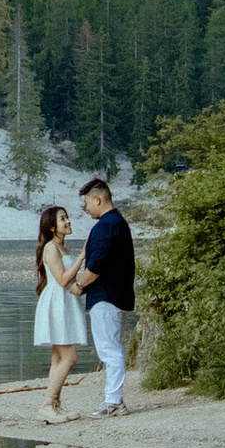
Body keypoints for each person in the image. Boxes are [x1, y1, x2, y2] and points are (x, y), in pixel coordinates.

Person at [77, 175, 134, 413]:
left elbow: (97, 264)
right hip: (113, 293)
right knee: (109, 346)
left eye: (86, 203)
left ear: (97, 199)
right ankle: (113, 399)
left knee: (108, 348)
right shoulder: (117, 222)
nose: (85, 208)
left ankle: (113, 401)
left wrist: (80, 286)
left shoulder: (106, 225)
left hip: (105, 295)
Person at [31, 200, 90, 414]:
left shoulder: (63, 247)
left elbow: (69, 281)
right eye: (62, 219)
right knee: (70, 357)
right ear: (52, 227)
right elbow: (63, 279)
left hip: (66, 302)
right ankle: (47, 404)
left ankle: (54, 404)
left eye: (67, 217)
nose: (68, 221)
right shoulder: (51, 248)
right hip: (57, 304)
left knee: (58, 357)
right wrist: (82, 257)